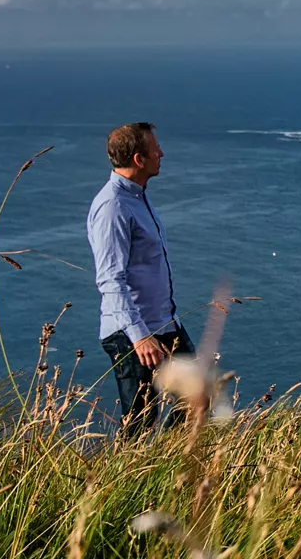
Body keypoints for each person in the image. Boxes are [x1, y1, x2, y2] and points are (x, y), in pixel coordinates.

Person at [89, 122, 191, 438]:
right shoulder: (113, 207)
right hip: (134, 332)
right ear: (138, 159)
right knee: (139, 423)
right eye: (155, 148)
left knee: (198, 397)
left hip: (163, 323)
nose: (161, 153)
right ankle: (132, 480)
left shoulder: (136, 198)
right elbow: (109, 279)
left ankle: (171, 471)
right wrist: (139, 336)